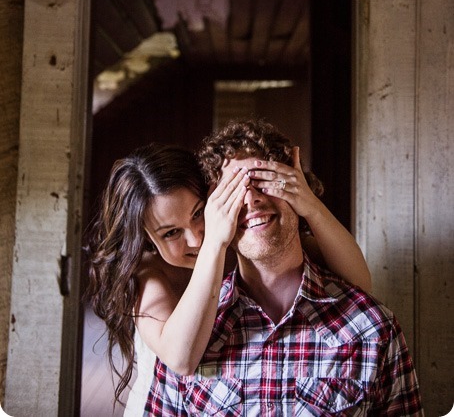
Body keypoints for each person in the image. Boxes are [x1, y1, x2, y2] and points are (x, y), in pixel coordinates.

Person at [144, 119, 423, 416]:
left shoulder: (371, 329)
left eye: (264, 179)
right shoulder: (191, 329)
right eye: (232, 191)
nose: (251, 197)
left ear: (298, 189)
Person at [86, 132, 371, 412]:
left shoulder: (243, 242)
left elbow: (358, 290)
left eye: (199, 213)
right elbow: (182, 359)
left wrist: (310, 206)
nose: (195, 239)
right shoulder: (151, 275)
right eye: (171, 232)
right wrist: (215, 243)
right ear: (149, 240)